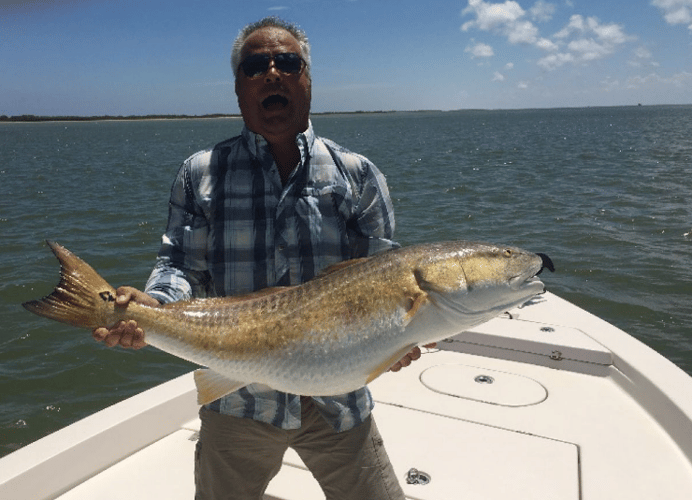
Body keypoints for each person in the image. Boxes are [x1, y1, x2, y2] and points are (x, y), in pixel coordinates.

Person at [92, 16, 428, 500]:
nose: (273, 73)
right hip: (239, 399)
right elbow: (181, 265)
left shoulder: (358, 175)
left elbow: (384, 279)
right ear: (237, 88)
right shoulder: (202, 172)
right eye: (256, 66)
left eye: (288, 62)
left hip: (338, 396)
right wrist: (154, 304)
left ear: (307, 80)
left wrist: (400, 337)